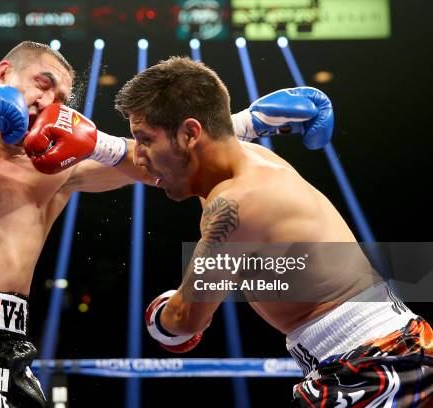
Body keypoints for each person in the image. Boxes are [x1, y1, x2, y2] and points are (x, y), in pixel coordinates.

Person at [0, 38, 335, 407]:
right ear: (4, 73)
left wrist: (249, 121)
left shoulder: (58, 168)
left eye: (62, 96)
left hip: (3, 355)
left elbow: (151, 156)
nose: (51, 99)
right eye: (43, 82)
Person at [28, 57, 432, 407]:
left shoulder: (235, 206)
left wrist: (159, 318)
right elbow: (190, 146)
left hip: (377, 364)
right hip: (371, 357)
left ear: (190, 133)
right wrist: (99, 145)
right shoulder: (241, 158)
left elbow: (186, 319)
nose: (141, 156)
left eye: (145, 140)